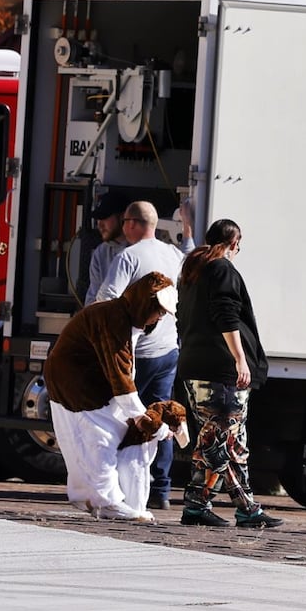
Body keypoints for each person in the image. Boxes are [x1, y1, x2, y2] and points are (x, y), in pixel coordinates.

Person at [47, 272, 186, 521]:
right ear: (147, 304)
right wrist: (140, 415)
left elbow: (121, 370)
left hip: (85, 383)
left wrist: (135, 412)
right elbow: (119, 372)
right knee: (100, 439)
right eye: (160, 310)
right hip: (80, 386)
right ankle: (107, 501)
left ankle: (96, 496)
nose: (161, 316)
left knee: (101, 437)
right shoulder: (114, 319)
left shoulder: (120, 316)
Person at [175, 219, 282, 529]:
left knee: (222, 442)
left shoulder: (192, 270)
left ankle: (219, 507)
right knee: (222, 443)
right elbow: (226, 314)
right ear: (235, 242)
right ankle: (230, 508)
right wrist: (240, 359)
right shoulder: (221, 269)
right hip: (219, 370)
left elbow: (183, 318)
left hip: (196, 367)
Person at [97, 201, 185, 509]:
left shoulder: (128, 256)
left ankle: (117, 487)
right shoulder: (173, 254)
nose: (122, 229)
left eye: (124, 223)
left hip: (138, 353)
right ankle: (160, 490)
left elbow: (106, 299)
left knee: (119, 418)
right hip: (168, 351)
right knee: (162, 418)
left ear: (133, 224)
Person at [82, 192, 129, 304]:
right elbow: (92, 300)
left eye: (105, 217)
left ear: (123, 216)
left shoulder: (140, 250)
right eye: (98, 219)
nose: (100, 224)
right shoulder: (100, 253)